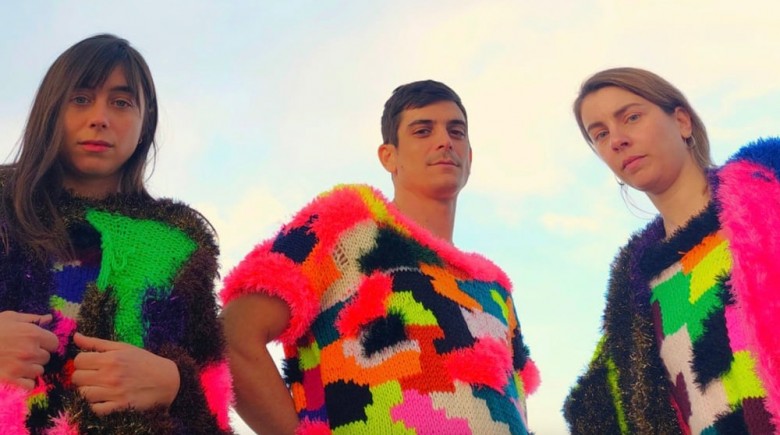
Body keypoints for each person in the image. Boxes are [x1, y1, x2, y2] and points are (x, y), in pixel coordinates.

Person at [221, 80, 539, 434]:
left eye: (456, 131)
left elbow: (517, 409)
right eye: (423, 130)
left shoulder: (494, 288)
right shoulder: (342, 226)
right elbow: (232, 337)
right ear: (389, 156)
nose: (445, 141)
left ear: (470, 157)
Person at [0, 34, 232, 434]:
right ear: (51, 109)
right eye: (80, 98)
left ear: (145, 121)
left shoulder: (179, 242)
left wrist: (176, 385)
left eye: (121, 102)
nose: (100, 117)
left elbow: (215, 391)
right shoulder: (6, 207)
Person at [563, 67, 780, 434]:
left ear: (682, 121)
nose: (617, 140)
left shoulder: (769, 195)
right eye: (600, 134)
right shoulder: (633, 294)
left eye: (631, 117)